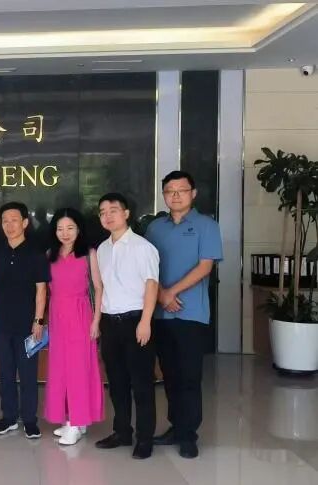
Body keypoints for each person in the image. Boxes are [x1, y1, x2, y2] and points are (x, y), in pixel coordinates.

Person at [146, 170, 223, 459]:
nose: (175, 195)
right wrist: (160, 295)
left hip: (191, 314)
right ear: (164, 195)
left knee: (189, 376)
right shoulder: (155, 228)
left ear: (193, 193)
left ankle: (189, 434)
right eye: (170, 191)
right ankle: (176, 427)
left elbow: (205, 267)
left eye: (181, 190)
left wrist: (170, 293)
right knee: (170, 375)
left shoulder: (207, 225)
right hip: (160, 315)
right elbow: (147, 267)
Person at [95, 192, 159, 460]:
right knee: (117, 382)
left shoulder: (142, 247)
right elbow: (102, 288)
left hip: (136, 321)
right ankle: (122, 431)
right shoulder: (102, 249)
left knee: (141, 384)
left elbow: (151, 285)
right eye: (102, 212)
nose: (107, 216)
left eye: (113, 210)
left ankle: (145, 438)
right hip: (110, 323)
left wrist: (145, 321)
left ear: (126, 213)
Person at [0, 201, 49, 439]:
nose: (9, 225)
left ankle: (30, 420)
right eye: (5, 221)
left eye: (14, 220)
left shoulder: (35, 253)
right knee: (5, 372)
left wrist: (38, 321)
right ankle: (9, 417)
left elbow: (41, 290)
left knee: (28, 373)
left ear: (25, 223)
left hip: (27, 324)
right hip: (1, 322)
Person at [44, 208, 104, 446]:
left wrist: (96, 320)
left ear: (79, 229)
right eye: (60, 228)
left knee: (78, 368)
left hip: (80, 314)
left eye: (70, 228)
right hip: (57, 315)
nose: (65, 233)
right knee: (60, 368)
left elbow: (98, 288)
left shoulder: (89, 253)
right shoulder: (50, 254)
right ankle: (72, 418)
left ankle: (77, 422)